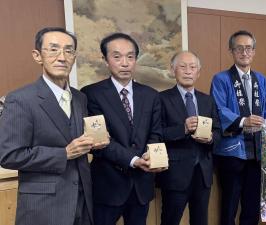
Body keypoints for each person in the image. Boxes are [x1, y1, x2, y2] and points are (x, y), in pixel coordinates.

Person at [0, 27, 108, 225]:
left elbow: (72, 138)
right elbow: (9, 155)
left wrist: (94, 142)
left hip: (83, 201)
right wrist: (64, 153)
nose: (62, 57)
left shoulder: (80, 97)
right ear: (37, 56)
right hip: (44, 206)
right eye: (53, 49)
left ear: (74, 57)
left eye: (69, 51)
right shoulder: (20, 99)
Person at [81, 33, 165, 225]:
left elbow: (156, 132)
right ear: (105, 60)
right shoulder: (91, 94)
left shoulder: (151, 95)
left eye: (130, 56)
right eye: (117, 56)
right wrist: (133, 160)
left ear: (136, 59)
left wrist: (149, 156)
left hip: (141, 186)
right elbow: (99, 142)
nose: (125, 63)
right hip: (108, 184)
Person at [210, 30, 266, 225]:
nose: (244, 52)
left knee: (252, 204)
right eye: (239, 48)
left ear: (254, 51)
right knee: (229, 203)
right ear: (231, 51)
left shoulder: (261, 80)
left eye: (248, 48)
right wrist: (243, 121)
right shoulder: (221, 79)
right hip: (232, 152)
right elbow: (218, 108)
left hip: (257, 152)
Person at [157, 51, 220, 225]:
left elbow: (218, 132)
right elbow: (156, 134)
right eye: (182, 67)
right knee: (170, 220)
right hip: (175, 173)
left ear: (198, 72)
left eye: (192, 67)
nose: (187, 71)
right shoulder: (161, 99)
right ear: (173, 70)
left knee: (201, 221)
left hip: (203, 173)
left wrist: (210, 139)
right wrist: (183, 129)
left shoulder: (208, 100)